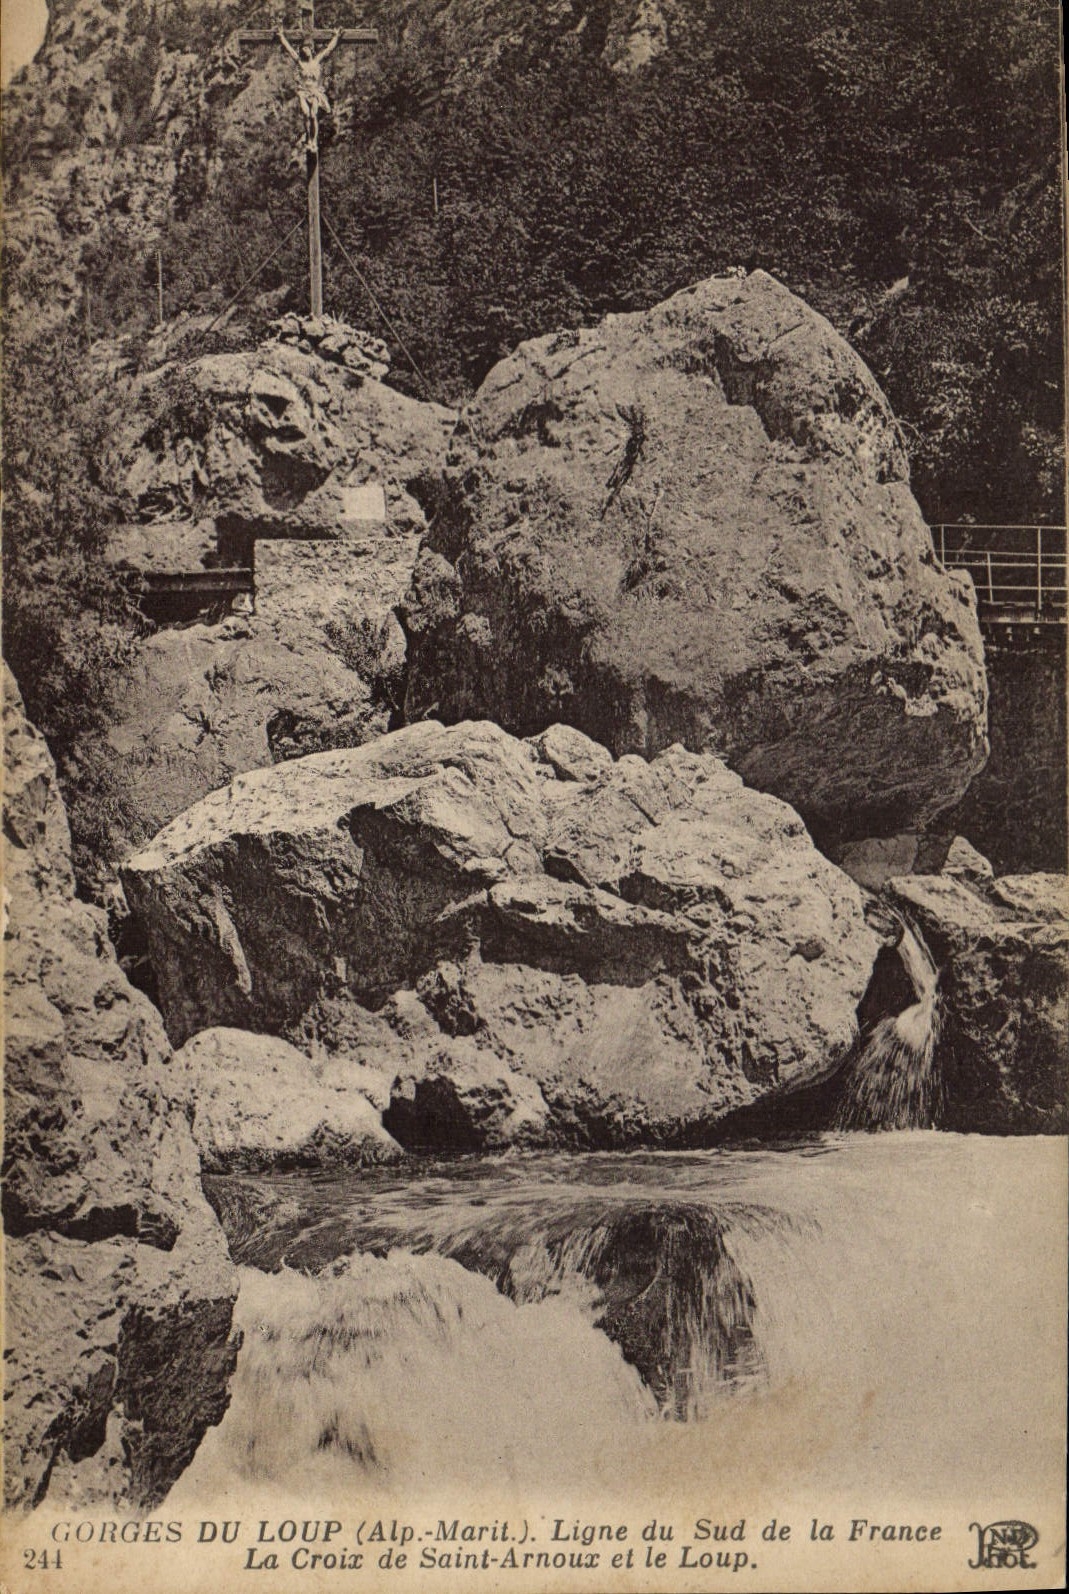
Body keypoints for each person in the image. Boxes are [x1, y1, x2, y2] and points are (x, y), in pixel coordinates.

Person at [276, 27, 341, 151]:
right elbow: (290, 50)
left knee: (313, 115)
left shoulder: (317, 61)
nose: (304, 50)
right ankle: (308, 138)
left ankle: (313, 140)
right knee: (306, 114)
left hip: (315, 92)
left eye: (306, 48)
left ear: (311, 50)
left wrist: (336, 37)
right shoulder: (301, 63)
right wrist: (281, 37)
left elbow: (328, 49)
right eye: (302, 49)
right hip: (303, 92)